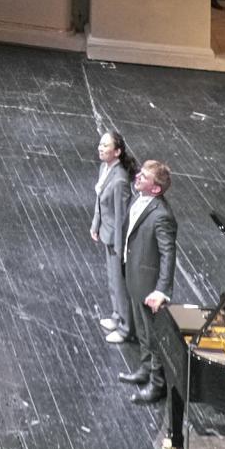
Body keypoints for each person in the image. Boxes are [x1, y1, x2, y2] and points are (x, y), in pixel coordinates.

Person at [116, 160, 181, 412]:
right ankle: (144, 370)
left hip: (150, 287)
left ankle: (157, 384)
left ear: (156, 189)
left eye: (144, 177)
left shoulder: (162, 216)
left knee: (154, 337)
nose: (138, 177)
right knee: (143, 332)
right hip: (135, 277)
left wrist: (161, 290)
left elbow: (168, 255)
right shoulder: (139, 199)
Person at [90, 131, 137, 346]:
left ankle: (126, 328)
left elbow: (121, 218)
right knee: (112, 281)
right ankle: (117, 316)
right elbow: (100, 202)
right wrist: (96, 225)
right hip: (107, 233)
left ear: (117, 152)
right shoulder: (104, 168)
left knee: (120, 283)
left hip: (116, 238)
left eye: (105, 146)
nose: (100, 148)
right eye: (100, 144)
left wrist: (120, 248)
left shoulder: (119, 180)